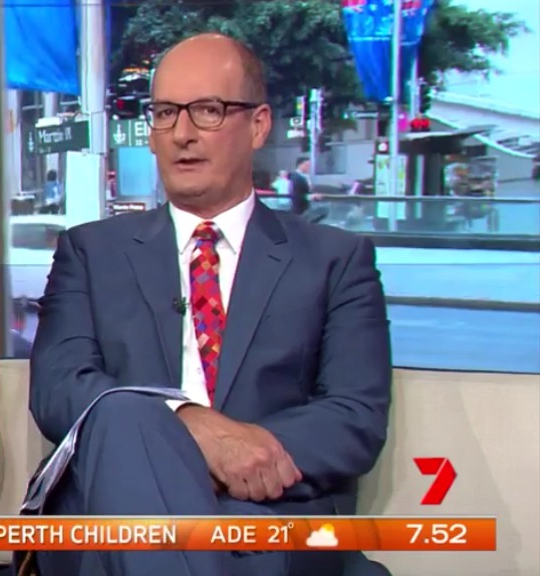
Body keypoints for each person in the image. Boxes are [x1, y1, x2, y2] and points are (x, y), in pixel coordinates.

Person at [26, 34, 391, 576]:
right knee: (122, 408)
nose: (182, 134)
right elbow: (59, 387)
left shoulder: (336, 260)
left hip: (267, 515)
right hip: (115, 513)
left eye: (208, 110)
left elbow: (354, 416)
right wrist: (187, 427)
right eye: (165, 113)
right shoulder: (90, 252)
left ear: (259, 125)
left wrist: (243, 452)